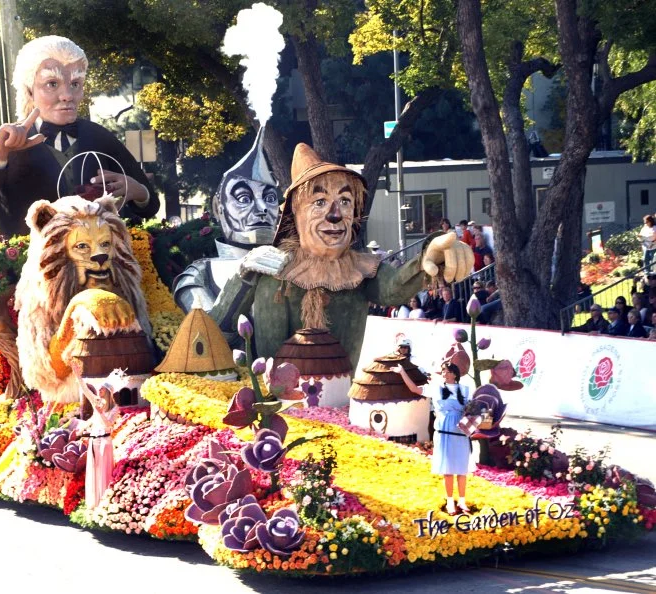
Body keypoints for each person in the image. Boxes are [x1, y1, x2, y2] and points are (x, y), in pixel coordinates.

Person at [209, 143, 473, 369]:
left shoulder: (361, 269)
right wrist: (243, 276)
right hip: (277, 409)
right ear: (295, 214)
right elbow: (214, 329)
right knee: (271, 286)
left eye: (345, 202)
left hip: (340, 403)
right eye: (319, 202)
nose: (335, 214)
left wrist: (432, 254)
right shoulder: (272, 269)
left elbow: (394, 288)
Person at [0, 36, 158, 236]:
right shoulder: (3, 142)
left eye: (75, 83)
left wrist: (140, 192)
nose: (67, 95)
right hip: (27, 263)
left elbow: (151, 207)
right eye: (52, 84)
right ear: (28, 90)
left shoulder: (99, 136)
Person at [173, 126, 281, 312]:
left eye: (270, 198)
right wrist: (242, 280)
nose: (262, 209)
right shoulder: (197, 276)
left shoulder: (300, 268)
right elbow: (207, 332)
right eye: (244, 198)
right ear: (217, 208)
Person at [393, 361, 473, 515]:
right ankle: (450, 502)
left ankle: (462, 501)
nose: (445, 373)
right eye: (443, 370)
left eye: (448, 371)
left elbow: (473, 409)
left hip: (461, 433)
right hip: (444, 433)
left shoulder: (466, 390)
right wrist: (402, 372)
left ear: (455, 374)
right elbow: (414, 389)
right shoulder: (436, 389)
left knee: (461, 469)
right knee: (448, 469)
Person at [74, 369, 125, 510]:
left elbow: (108, 425)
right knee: (94, 470)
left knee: (103, 471)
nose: (99, 390)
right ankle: (94, 502)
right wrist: (78, 376)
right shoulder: (96, 401)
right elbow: (85, 390)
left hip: (104, 442)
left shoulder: (115, 408)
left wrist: (101, 413)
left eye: (102, 388)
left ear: (108, 391)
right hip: (94, 441)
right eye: (100, 388)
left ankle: (104, 501)